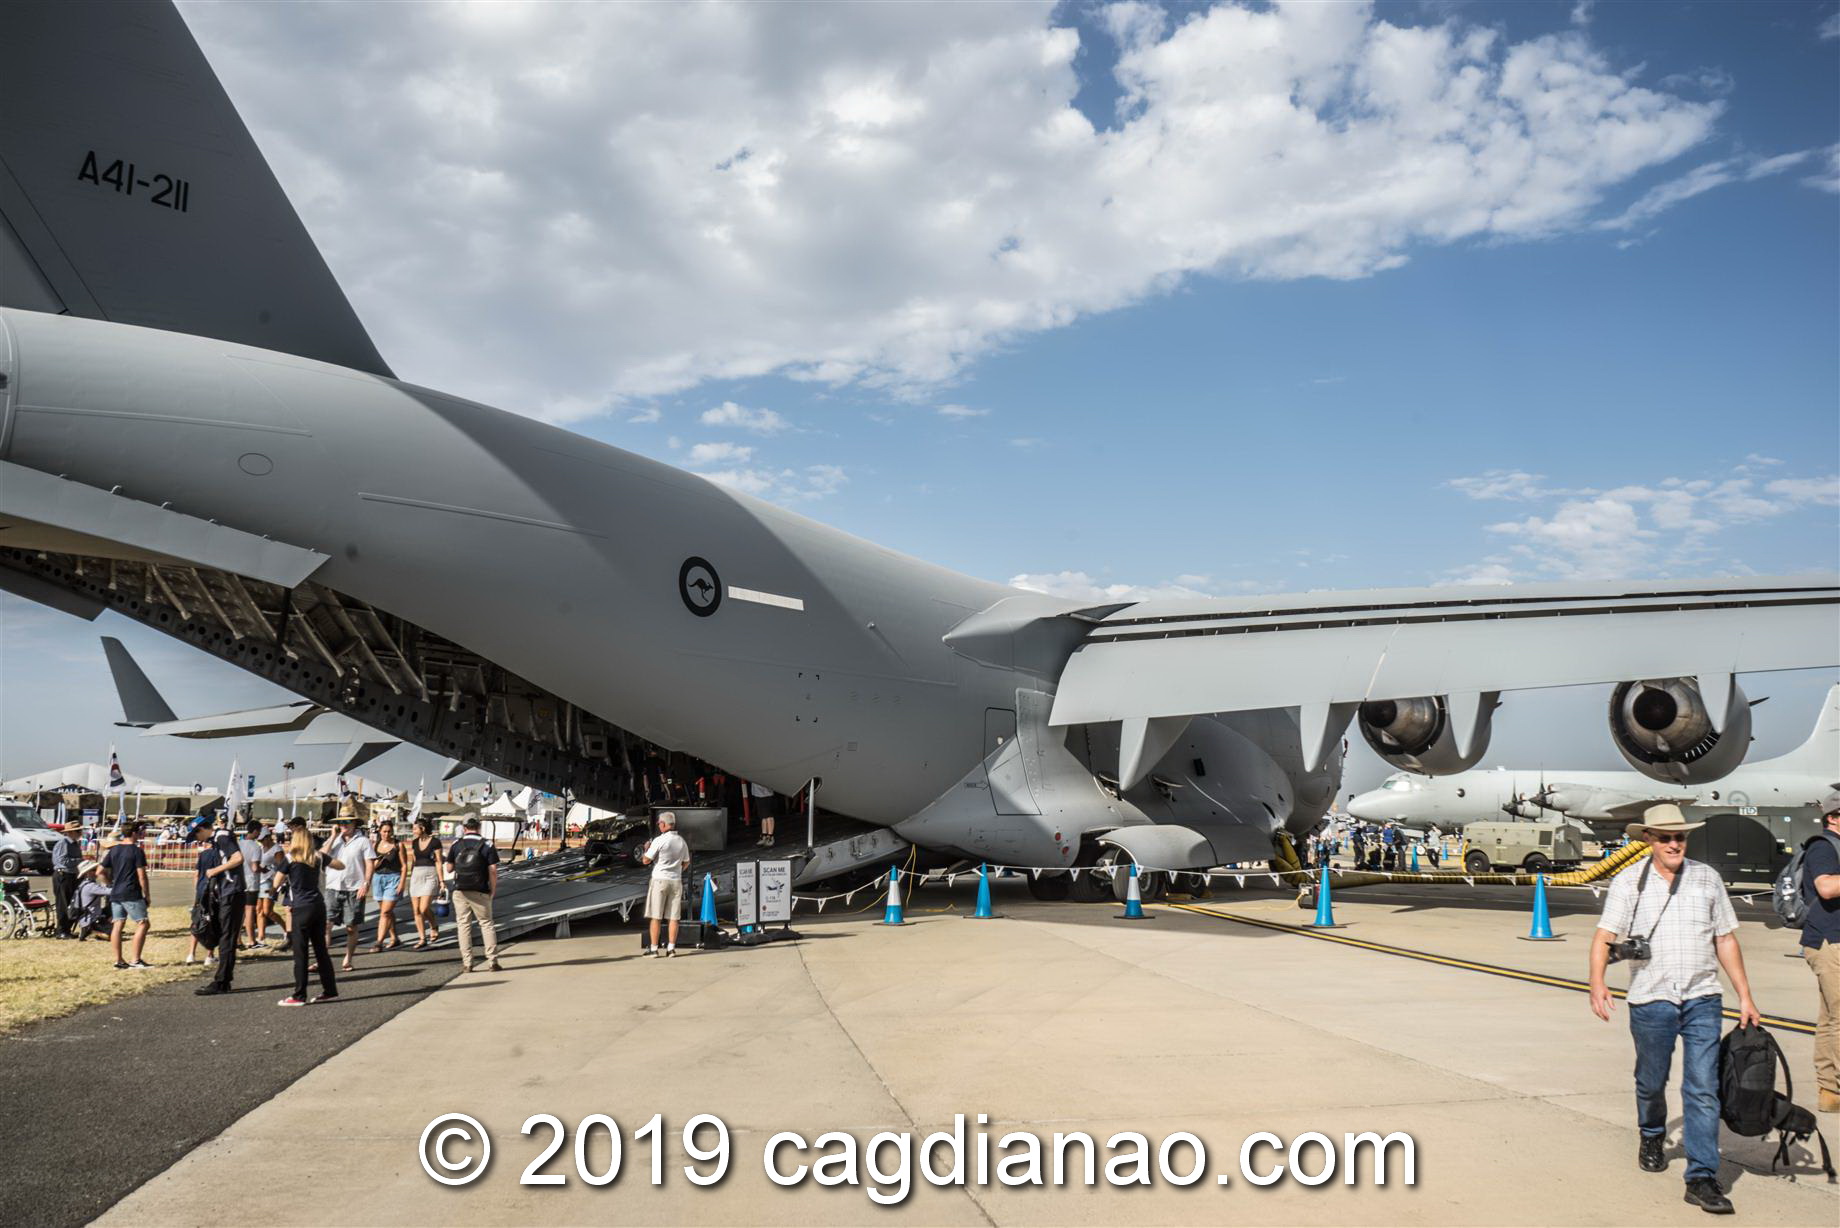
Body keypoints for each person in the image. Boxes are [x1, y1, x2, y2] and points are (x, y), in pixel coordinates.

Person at [1589, 804, 1759, 1215]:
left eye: (1679, 836)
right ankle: (1651, 1131)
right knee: (1652, 1080)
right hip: (1652, 999)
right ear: (1648, 839)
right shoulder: (1630, 882)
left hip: (1702, 996)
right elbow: (1603, 937)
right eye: (1664, 837)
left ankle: (1701, 1176)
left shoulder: (1707, 878)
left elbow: (1725, 940)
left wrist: (1745, 996)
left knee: (1701, 1088)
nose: (1673, 843)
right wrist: (1597, 984)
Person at [1799, 788, 1840, 1115]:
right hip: (1829, 941)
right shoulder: (1823, 847)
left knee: (1830, 1018)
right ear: (1834, 818)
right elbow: (1826, 887)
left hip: (1828, 940)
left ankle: (1830, 1090)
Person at [274, 819, 340, 1006]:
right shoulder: (317, 856)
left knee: (301, 953)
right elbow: (340, 865)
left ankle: (299, 995)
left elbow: (276, 882)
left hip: (301, 907)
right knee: (321, 951)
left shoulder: (290, 858)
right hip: (318, 906)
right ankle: (330, 989)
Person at [192, 819, 246, 996]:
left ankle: (222, 981)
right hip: (227, 892)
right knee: (224, 935)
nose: (198, 840)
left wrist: (215, 870)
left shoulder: (222, 837)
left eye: (196, 835)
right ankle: (223, 979)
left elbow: (237, 858)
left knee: (227, 937)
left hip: (232, 892)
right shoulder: (218, 840)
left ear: (202, 829)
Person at [446, 816, 501, 973]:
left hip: (460, 890)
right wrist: (493, 889)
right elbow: (493, 871)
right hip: (480, 889)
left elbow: (449, 869)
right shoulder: (487, 844)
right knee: (486, 924)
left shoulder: (456, 844)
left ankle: (467, 963)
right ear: (479, 827)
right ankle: (492, 961)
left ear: (464, 828)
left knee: (463, 925)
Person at [323, 813, 373, 972]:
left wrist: (366, 883)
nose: (343, 825)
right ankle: (322, 959)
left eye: (346, 822)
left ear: (354, 823)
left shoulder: (363, 841)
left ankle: (348, 958)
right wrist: (332, 837)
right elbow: (321, 855)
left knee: (351, 927)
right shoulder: (335, 840)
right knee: (326, 925)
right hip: (332, 887)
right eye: (340, 822)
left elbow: (369, 863)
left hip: (353, 888)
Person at [100, 821, 151, 969]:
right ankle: (136, 960)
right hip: (131, 891)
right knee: (143, 923)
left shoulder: (114, 850)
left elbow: (100, 872)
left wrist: (111, 883)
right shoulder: (136, 851)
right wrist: (146, 894)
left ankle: (119, 960)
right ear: (134, 833)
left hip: (116, 892)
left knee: (118, 924)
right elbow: (142, 875)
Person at [641, 811, 692, 958]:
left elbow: (646, 860)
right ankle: (671, 948)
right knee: (673, 917)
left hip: (660, 880)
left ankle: (654, 948)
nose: (659, 826)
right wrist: (677, 870)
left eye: (659, 823)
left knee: (656, 916)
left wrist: (646, 848)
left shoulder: (659, 840)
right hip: (676, 880)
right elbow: (687, 862)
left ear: (663, 824)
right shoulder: (681, 841)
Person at [367, 822, 406, 951]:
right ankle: (395, 938)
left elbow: (404, 865)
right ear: (379, 831)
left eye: (389, 831)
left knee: (385, 912)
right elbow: (370, 864)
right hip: (378, 879)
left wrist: (402, 882)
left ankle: (379, 942)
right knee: (387, 912)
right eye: (384, 831)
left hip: (393, 878)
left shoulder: (398, 845)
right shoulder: (375, 844)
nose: (386, 834)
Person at [406, 818, 444, 948]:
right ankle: (422, 938)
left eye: (415, 828)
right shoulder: (415, 842)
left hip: (430, 874)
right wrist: (411, 877)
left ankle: (433, 925)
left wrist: (441, 881)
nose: (413, 830)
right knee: (416, 910)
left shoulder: (435, 842)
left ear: (422, 829)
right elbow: (414, 860)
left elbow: (439, 861)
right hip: (416, 875)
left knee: (423, 908)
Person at [50, 820, 81, 938]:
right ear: (71, 832)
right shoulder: (63, 843)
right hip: (63, 875)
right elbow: (61, 861)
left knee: (71, 903)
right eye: (78, 831)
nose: (80, 833)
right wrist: (79, 861)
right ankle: (61, 930)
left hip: (72, 875)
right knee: (62, 904)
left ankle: (66, 929)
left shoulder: (74, 844)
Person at [237, 819, 263, 947]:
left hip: (240, 880)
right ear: (256, 831)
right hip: (251, 881)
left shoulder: (239, 843)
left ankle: (238, 938)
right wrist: (262, 869)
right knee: (250, 911)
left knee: (240, 911)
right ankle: (252, 940)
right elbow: (255, 867)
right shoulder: (255, 846)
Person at [73, 860, 110, 940]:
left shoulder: (83, 884)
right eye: (94, 870)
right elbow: (110, 891)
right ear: (87, 873)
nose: (96, 871)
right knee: (113, 935)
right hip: (92, 920)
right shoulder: (91, 886)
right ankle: (92, 932)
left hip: (85, 919)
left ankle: (91, 931)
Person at [750, 781, 777, 848]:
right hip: (757, 790)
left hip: (766, 791)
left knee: (768, 814)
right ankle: (764, 835)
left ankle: (770, 836)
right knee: (762, 815)